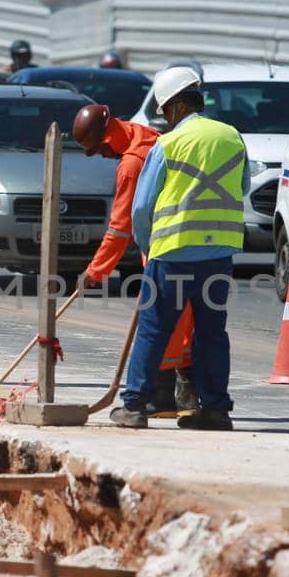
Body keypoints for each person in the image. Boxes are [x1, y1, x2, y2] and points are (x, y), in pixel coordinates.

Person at [114, 66, 245, 431]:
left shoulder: (167, 144)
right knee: (212, 332)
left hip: (171, 253)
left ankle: (135, 406)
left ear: (175, 106)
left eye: (165, 112)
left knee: (154, 329)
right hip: (219, 254)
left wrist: (147, 244)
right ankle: (216, 409)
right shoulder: (232, 137)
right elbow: (244, 186)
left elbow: (142, 207)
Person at [72, 102, 196, 414]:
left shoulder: (131, 164)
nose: (102, 155)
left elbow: (120, 228)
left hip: (162, 245)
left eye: (100, 149)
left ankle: (163, 396)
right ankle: (186, 396)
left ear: (107, 138)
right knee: (183, 320)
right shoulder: (146, 134)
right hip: (191, 240)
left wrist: (95, 272)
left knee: (161, 321)